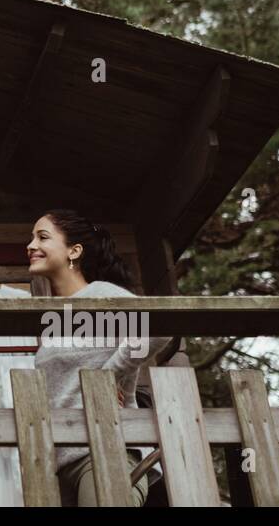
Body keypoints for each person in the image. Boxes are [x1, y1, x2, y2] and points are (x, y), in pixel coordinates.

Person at [26, 209, 171, 506]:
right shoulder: (57, 318)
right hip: (61, 465)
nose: (30, 246)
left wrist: (111, 376)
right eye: (31, 238)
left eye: (42, 237)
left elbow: (159, 327)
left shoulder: (99, 294)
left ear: (73, 251)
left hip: (106, 449)